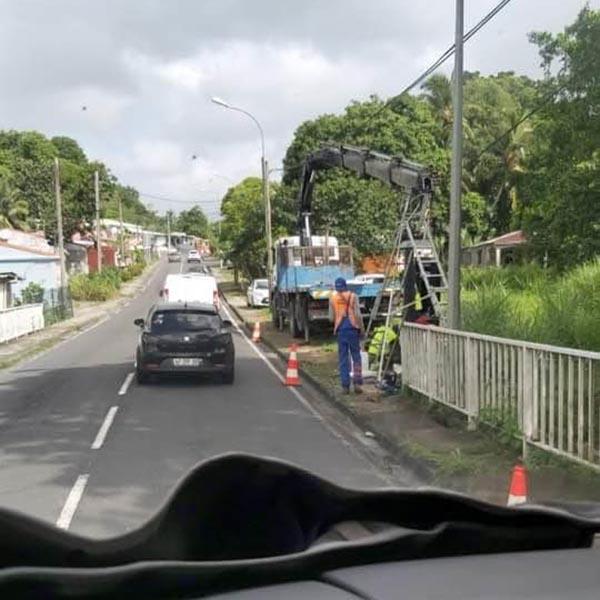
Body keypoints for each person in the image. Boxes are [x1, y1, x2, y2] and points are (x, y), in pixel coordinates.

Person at [329, 277, 364, 394]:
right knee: (356, 357)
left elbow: (331, 317)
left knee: (343, 358)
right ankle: (357, 383)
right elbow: (358, 315)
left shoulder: (333, 298)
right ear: (346, 286)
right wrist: (362, 330)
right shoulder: (353, 296)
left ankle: (345, 386)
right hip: (353, 329)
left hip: (341, 330)